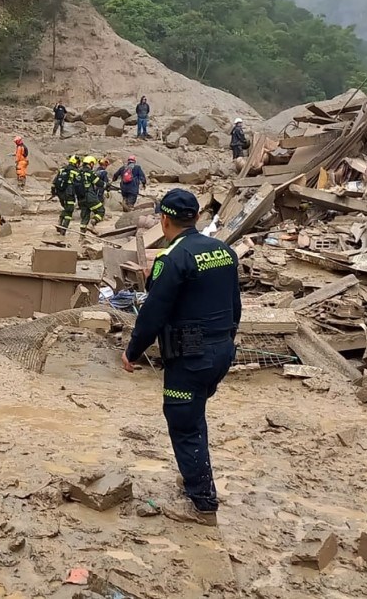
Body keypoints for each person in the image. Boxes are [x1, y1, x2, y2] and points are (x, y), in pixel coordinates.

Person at [122, 189, 241, 524]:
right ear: (197, 217)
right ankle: (195, 480)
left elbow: (153, 314)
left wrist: (132, 352)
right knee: (194, 415)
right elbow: (236, 305)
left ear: (164, 219)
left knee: (183, 424)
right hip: (220, 352)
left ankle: (202, 505)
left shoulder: (172, 259)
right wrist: (225, 344)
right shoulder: (223, 250)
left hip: (189, 356)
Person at [52, 155, 80, 236]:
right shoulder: (75, 171)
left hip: (60, 193)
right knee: (69, 210)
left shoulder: (62, 169)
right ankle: (62, 226)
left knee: (67, 209)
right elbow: (79, 184)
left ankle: (62, 227)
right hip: (69, 194)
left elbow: (54, 182)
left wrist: (54, 193)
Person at [76, 156, 105, 232]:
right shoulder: (89, 173)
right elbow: (98, 182)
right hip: (89, 196)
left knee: (85, 217)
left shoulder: (78, 172)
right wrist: (106, 185)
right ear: (91, 163)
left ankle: (82, 237)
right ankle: (92, 223)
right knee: (101, 210)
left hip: (80, 198)